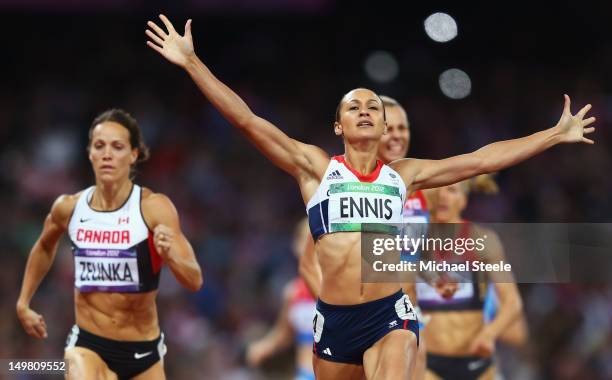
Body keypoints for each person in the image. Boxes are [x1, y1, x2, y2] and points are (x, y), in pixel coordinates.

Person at [145, 14, 595, 379]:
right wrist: (191, 63)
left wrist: (554, 135)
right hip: (334, 321)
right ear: (339, 126)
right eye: (353, 107)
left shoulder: (405, 175)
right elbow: (245, 119)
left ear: (383, 127)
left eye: (372, 107)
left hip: (389, 312)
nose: (364, 111)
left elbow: (482, 160)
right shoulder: (316, 168)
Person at [16, 109, 203, 380]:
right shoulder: (69, 207)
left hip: (143, 351)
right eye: (99, 146)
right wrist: (24, 301)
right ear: (90, 153)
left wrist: (170, 256)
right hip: (88, 344)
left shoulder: (153, 209)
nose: (107, 154)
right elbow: (45, 246)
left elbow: (194, 280)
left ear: (133, 155)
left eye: (117, 147)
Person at [418, 176, 523, 380]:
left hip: (477, 361)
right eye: (436, 190)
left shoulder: (482, 240)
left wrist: (489, 333)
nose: (442, 197)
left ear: (463, 201)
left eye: (451, 190)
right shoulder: (411, 242)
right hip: (428, 363)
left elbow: (513, 303)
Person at [247, 218, 317, 380]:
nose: (310, 248)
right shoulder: (292, 292)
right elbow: (283, 335)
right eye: (305, 241)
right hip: (305, 375)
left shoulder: (340, 289)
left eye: (316, 241)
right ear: (296, 245)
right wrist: (263, 347)